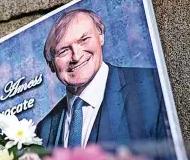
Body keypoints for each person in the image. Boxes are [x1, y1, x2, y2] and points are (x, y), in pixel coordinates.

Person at [36, 9, 171, 149]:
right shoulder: (43, 130)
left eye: (84, 40)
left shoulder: (153, 85)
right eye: (63, 50)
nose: (76, 56)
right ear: (51, 64)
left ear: (101, 36)